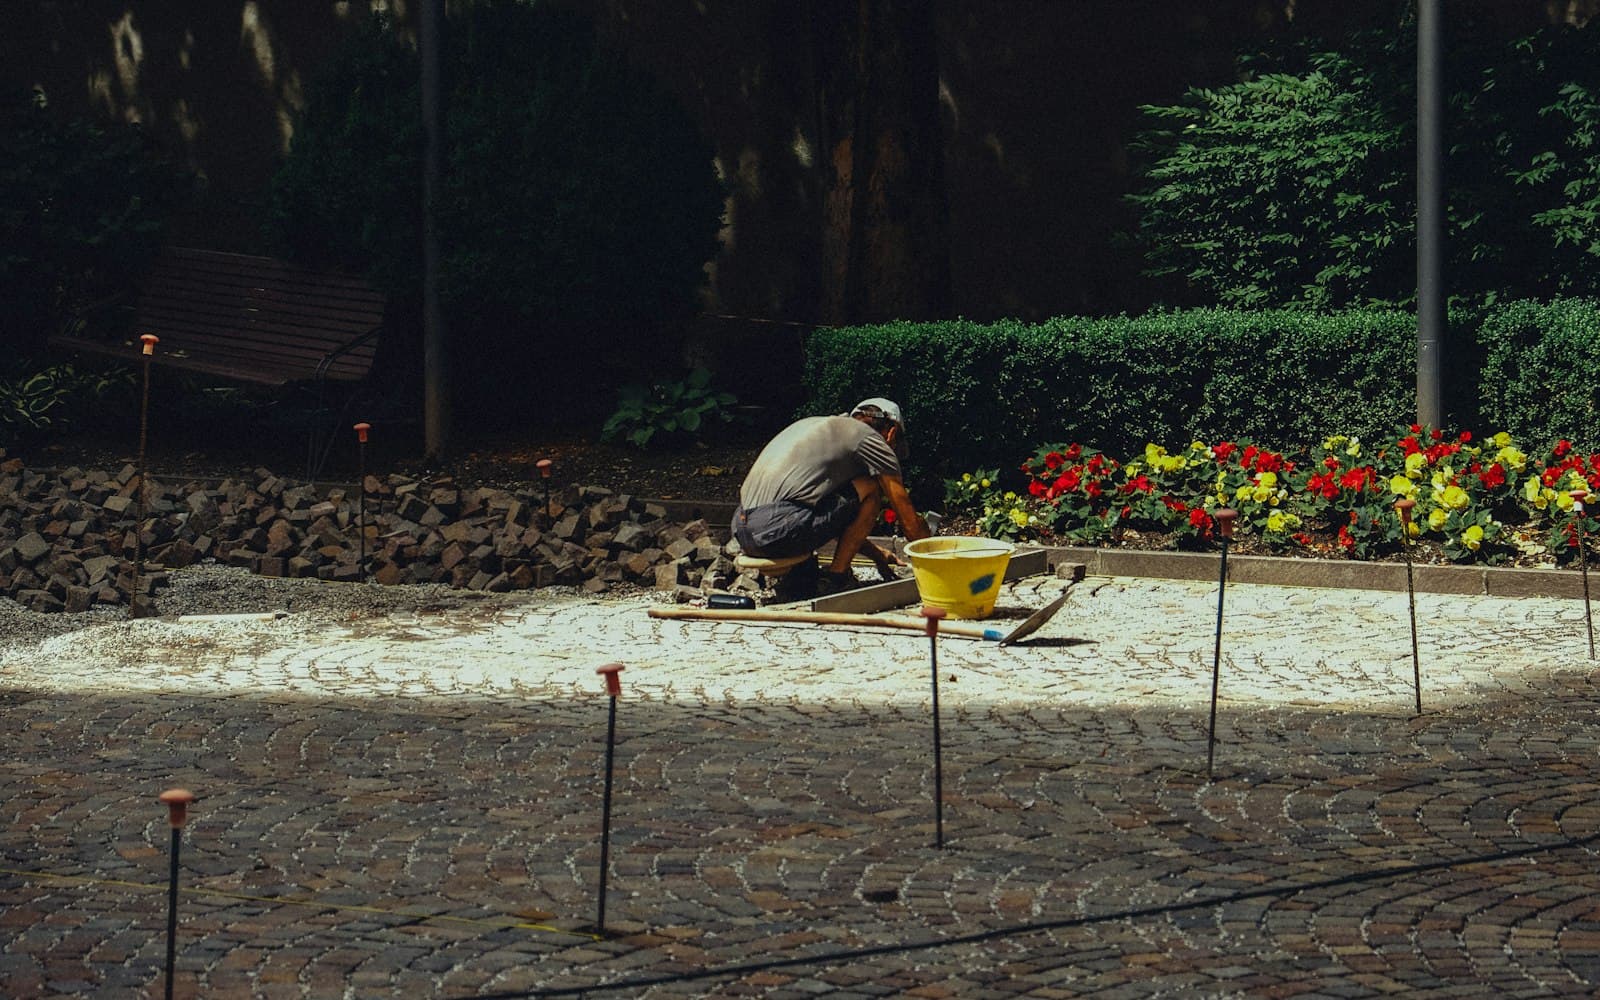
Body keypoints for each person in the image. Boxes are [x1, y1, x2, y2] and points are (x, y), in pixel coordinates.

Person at [732, 397, 931, 599]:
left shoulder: (820, 428)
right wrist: (936, 561)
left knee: (835, 498)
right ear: (892, 433)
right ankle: (836, 579)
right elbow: (909, 524)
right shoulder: (871, 439)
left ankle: (801, 581)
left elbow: (835, 518)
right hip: (777, 530)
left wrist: (878, 556)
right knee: (870, 487)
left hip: (742, 530)